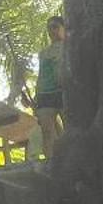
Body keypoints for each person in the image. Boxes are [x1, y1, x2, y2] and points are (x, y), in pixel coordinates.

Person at [32, 15, 67, 160]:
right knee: (47, 132)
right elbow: (41, 76)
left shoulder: (71, 47)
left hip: (65, 92)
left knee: (71, 129)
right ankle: (50, 163)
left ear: (63, 28)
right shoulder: (44, 53)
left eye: (55, 27)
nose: (52, 31)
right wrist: (36, 95)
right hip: (46, 95)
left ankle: (70, 161)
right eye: (49, 28)